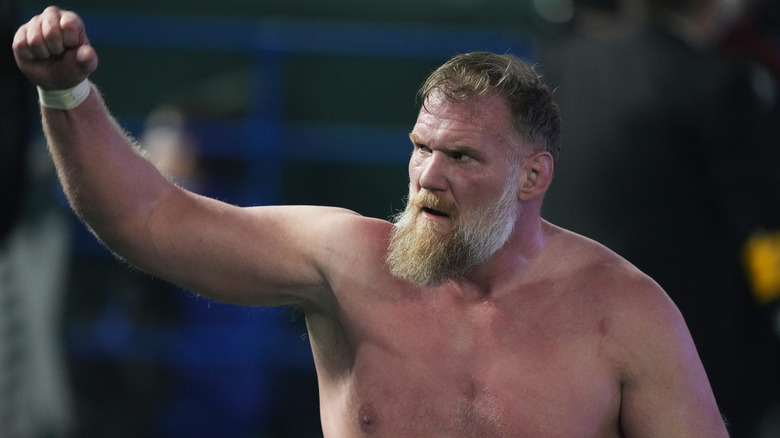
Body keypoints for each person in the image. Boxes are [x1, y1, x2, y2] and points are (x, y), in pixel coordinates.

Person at [13, 6, 729, 437]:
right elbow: (146, 217)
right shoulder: (346, 263)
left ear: (533, 176)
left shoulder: (623, 314)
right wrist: (67, 92)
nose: (427, 177)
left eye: (461, 156)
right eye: (420, 148)